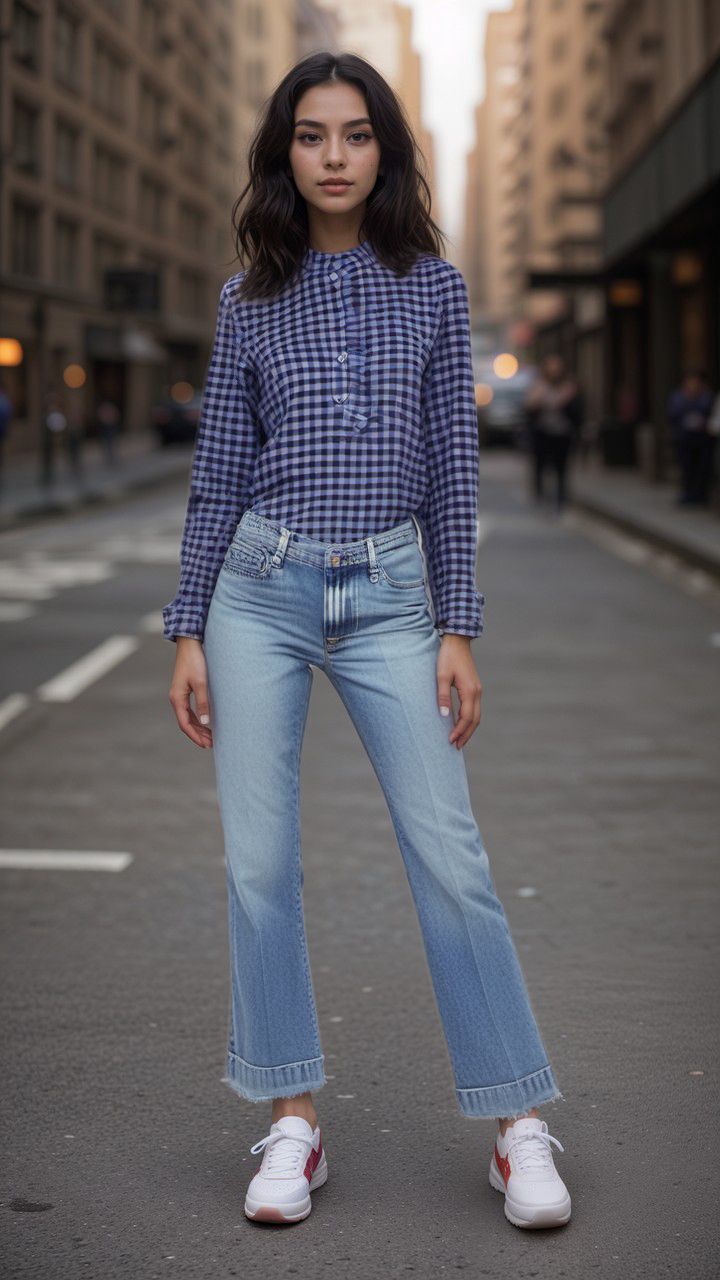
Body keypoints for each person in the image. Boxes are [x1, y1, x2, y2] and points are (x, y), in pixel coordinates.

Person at [162, 52, 571, 1231]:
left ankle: (517, 1122)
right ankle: (291, 1118)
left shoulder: (434, 290)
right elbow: (217, 474)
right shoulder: (249, 300)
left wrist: (460, 625)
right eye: (309, 135)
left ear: (383, 149)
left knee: (452, 857)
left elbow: (452, 466)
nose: (333, 155)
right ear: (283, 153)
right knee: (258, 862)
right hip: (259, 588)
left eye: (354, 134)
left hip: (392, 597)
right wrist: (187, 625)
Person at [523, 355, 582, 510]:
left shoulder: (569, 388)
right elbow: (528, 410)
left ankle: (561, 498)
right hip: (542, 433)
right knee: (540, 466)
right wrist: (535, 402)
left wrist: (567, 402)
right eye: (550, 367)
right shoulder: (538, 386)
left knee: (561, 467)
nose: (554, 370)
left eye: (556, 367)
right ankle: (539, 496)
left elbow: (578, 412)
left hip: (562, 433)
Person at [667, 370, 716, 506]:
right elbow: (673, 413)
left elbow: (709, 412)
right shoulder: (679, 396)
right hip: (685, 438)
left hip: (703, 439)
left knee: (702, 468)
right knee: (687, 468)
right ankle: (688, 494)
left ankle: (700, 495)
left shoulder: (706, 396)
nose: (692, 385)